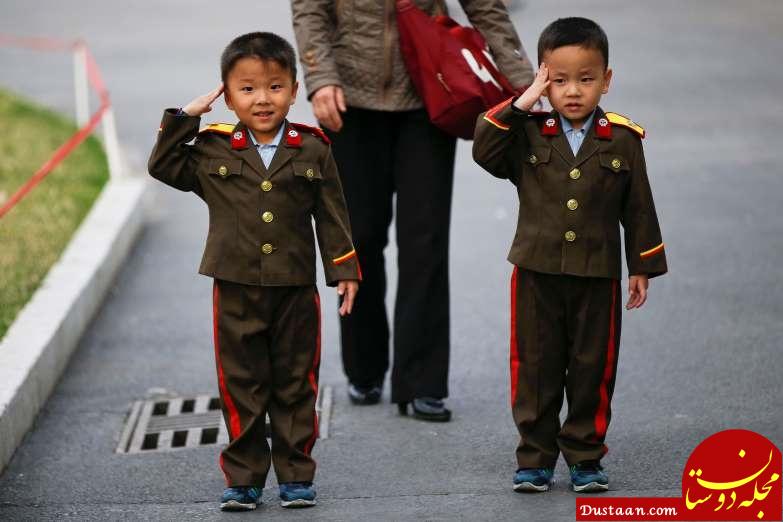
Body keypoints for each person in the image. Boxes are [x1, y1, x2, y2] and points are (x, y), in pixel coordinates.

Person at [291, 0, 534, 422]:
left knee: (425, 239)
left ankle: (422, 380)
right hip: (350, 98)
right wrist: (320, 76)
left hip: (428, 91)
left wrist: (528, 87)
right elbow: (310, 10)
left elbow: (486, 9)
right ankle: (364, 366)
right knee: (360, 237)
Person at [147, 32, 361, 511]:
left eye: (274, 86)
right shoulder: (211, 149)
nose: (262, 99)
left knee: (294, 382)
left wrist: (344, 270)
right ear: (226, 92)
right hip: (235, 285)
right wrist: (186, 117)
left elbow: (332, 214)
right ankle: (243, 478)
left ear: (294, 88)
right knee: (241, 384)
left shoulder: (312, 148)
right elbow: (162, 166)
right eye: (246, 88)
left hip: (294, 287)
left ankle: (295, 475)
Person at [473, 17, 667, 492]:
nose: (573, 91)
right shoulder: (527, 133)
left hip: (596, 274)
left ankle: (584, 456)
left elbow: (638, 207)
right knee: (535, 366)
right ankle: (535, 457)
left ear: (606, 80)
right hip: (536, 271)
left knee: (592, 367)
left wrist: (640, 266)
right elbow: (484, 148)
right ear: (543, 78)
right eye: (558, 80)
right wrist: (524, 99)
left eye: (586, 79)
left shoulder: (621, 139)